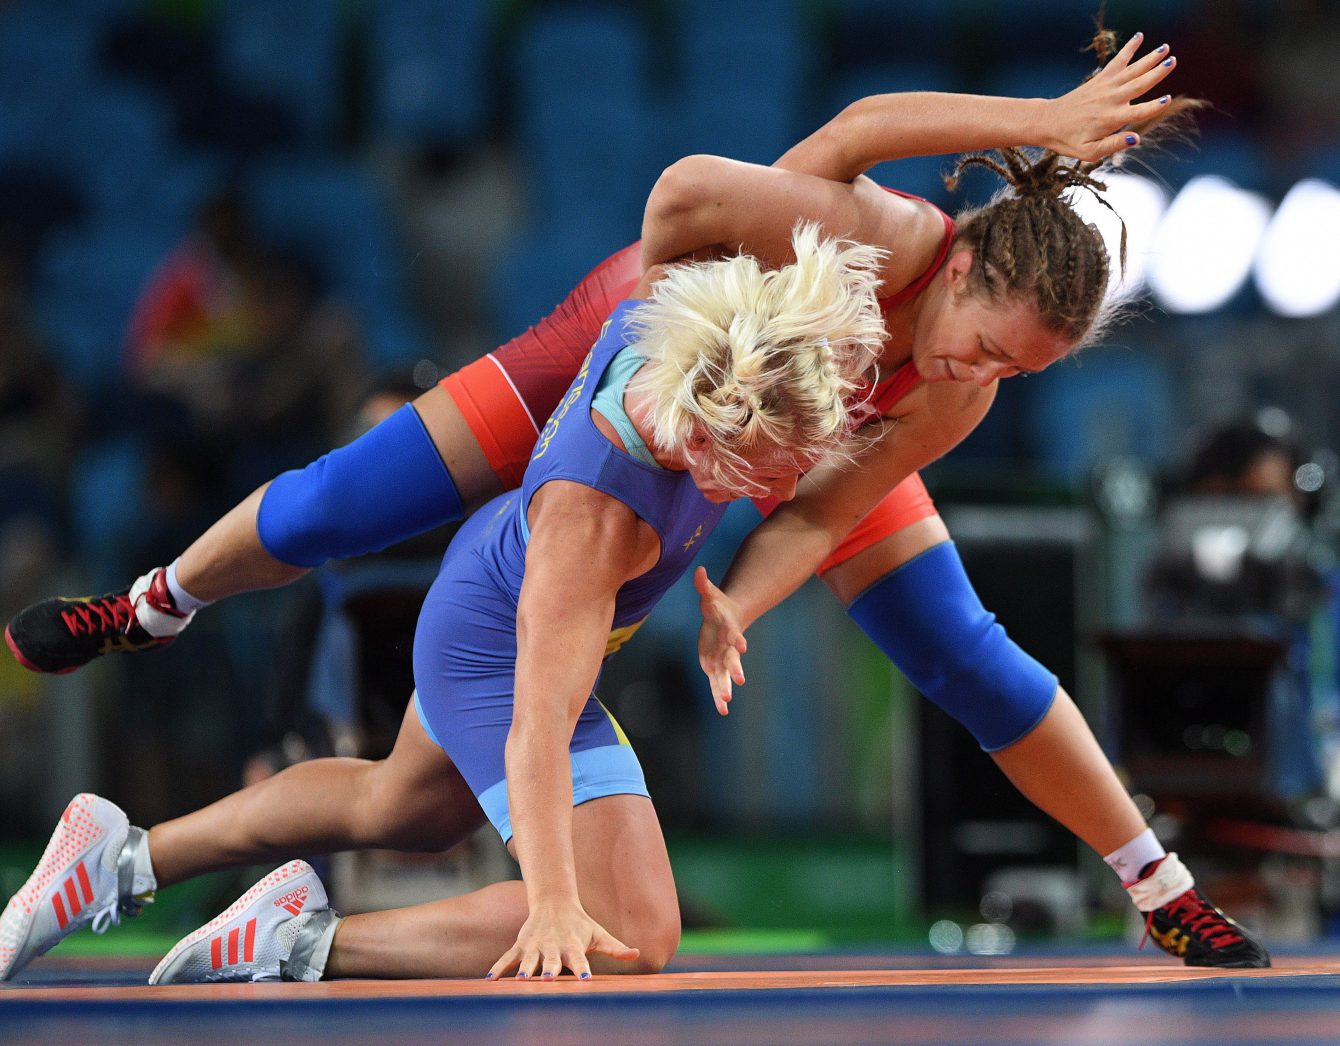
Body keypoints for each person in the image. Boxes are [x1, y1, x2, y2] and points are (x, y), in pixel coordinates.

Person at [6, 30, 1268, 966]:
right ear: (968, 260)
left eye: (1016, 376)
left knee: (957, 642)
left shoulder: (944, 391)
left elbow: (818, 512)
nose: (979, 379)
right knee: (343, 507)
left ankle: (1150, 874)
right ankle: (155, 601)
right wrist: (1039, 116)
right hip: (662, 347)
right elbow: (740, 177)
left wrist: (737, 603)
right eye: (987, 344)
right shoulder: (870, 234)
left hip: (763, 423)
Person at [0, 224, 887, 983]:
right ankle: (302, 940)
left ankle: (121, 858)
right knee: (632, 931)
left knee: (399, 807)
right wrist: (549, 903)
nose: (789, 480)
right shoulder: (598, 523)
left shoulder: (723, 338)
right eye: (771, 468)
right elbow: (537, 719)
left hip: (492, 575)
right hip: (499, 646)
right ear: (707, 437)